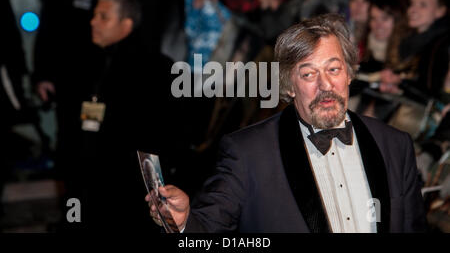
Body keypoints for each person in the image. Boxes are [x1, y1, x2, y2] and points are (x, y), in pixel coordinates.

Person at [146, 13, 427, 233]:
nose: (325, 85)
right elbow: (208, 227)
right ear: (289, 86)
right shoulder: (248, 153)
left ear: (350, 74)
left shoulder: (394, 144)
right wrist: (182, 222)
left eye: (333, 69)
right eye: (308, 74)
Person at [79, 0, 189, 231]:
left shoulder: (154, 68)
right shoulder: (93, 61)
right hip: (96, 182)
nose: (93, 21)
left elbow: (167, 133)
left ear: (126, 24)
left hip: (132, 190)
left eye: (103, 16)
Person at [32, 0, 111, 200]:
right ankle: (72, 211)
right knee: (67, 147)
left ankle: (90, 207)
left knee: (91, 145)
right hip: (64, 83)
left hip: (94, 84)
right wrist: (42, 74)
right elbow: (46, 30)